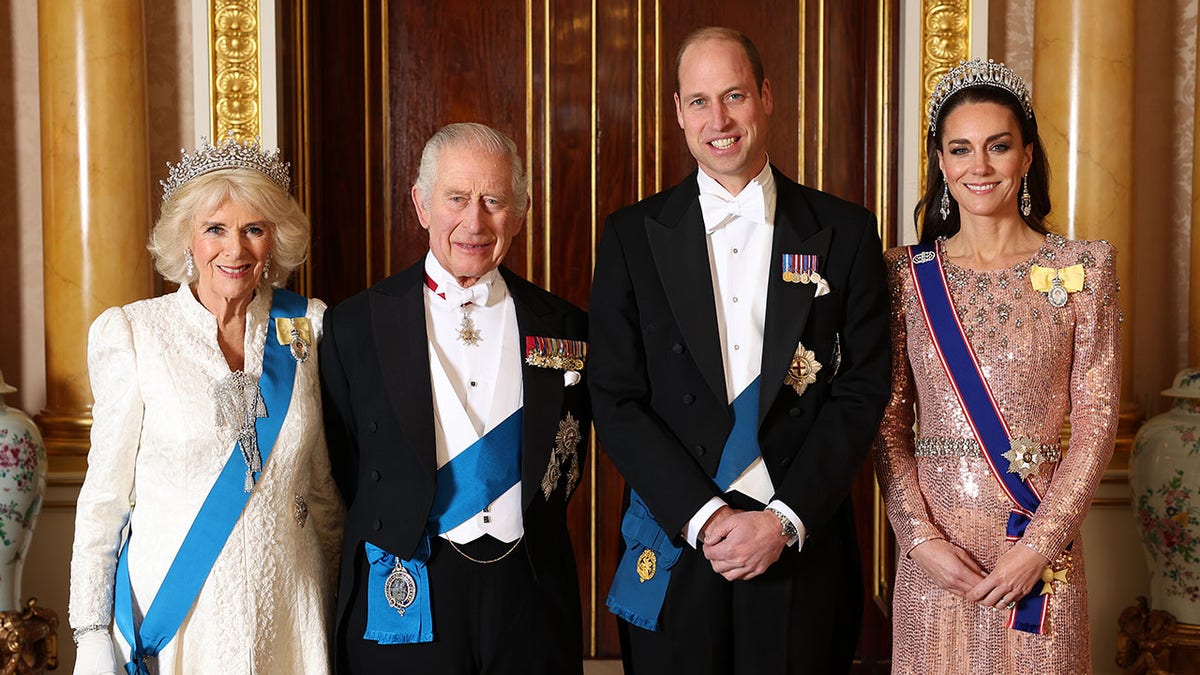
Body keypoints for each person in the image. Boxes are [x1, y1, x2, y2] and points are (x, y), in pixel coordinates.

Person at [589, 27, 890, 674]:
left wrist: (783, 519)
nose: (718, 120)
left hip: (799, 544)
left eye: (734, 96)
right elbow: (614, 396)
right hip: (677, 538)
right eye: (698, 101)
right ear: (677, 111)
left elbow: (862, 389)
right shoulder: (631, 236)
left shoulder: (845, 230)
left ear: (767, 96)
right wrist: (703, 517)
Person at [872, 59, 1120, 673]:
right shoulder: (904, 274)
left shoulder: (1086, 268)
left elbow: (1095, 425)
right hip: (937, 552)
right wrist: (919, 538)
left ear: (1027, 156)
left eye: (998, 146)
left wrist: (1038, 547)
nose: (978, 167)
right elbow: (887, 422)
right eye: (960, 149)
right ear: (940, 162)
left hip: (1038, 544)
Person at [68, 135, 344, 674]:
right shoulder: (135, 333)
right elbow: (105, 497)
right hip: (178, 620)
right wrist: (91, 631)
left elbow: (322, 488)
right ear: (186, 240)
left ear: (275, 241)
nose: (234, 250)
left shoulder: (305, 328)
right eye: (215, 229)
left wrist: (340, 606)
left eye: (254, 229)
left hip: (291, 611)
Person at [320, 122, 589, 674]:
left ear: (520, 210)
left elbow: (569, 457)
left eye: (493, 200)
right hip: (408, 579)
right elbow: (343, 468)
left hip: (530, 592)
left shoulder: (566, 327)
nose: (475, 221)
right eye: (457, 198)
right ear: (421, 204)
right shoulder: (354, 326)